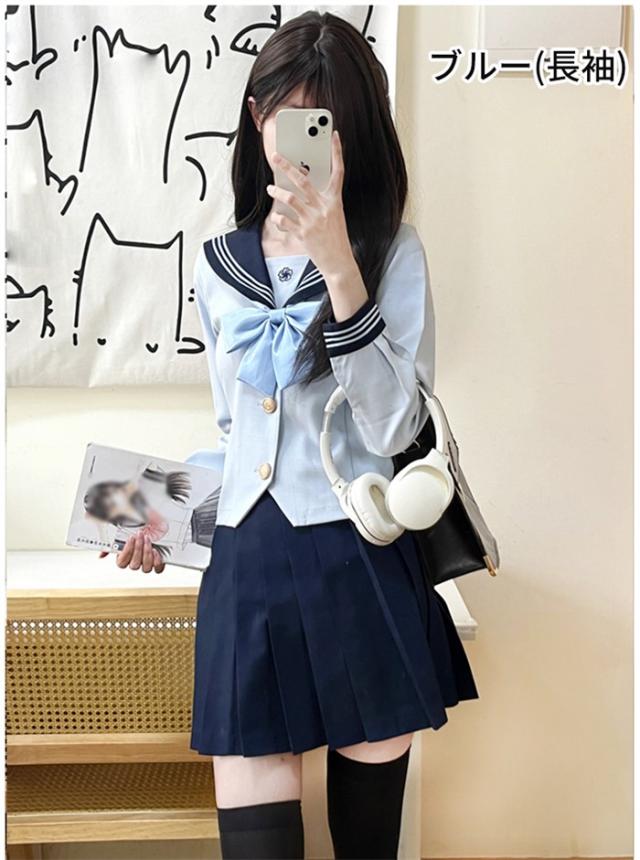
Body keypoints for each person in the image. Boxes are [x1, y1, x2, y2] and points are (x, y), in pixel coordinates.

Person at [104, 10, 479, 859]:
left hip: (359, 564)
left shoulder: (393, 253)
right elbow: (237, 436)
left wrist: (340, 263)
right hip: (250, 579)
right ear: (257, 117)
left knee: (366, 846)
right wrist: (163, 522)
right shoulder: (218, 264)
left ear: (358, 133)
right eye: (290, 116)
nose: (308, 140)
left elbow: (395, 425)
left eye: (328, 121)